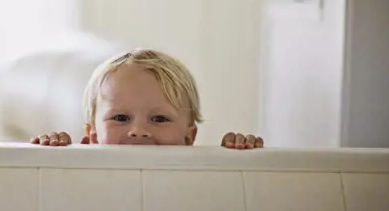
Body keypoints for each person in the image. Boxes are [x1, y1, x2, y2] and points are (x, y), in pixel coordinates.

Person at [30, 48, 263, 149]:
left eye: (160, 119)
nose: (138, 131)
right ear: (92, 136)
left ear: (189, 137)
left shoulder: (197, 175)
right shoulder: (82, 172)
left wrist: (232, 162)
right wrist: (56, 155)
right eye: (121, 117)